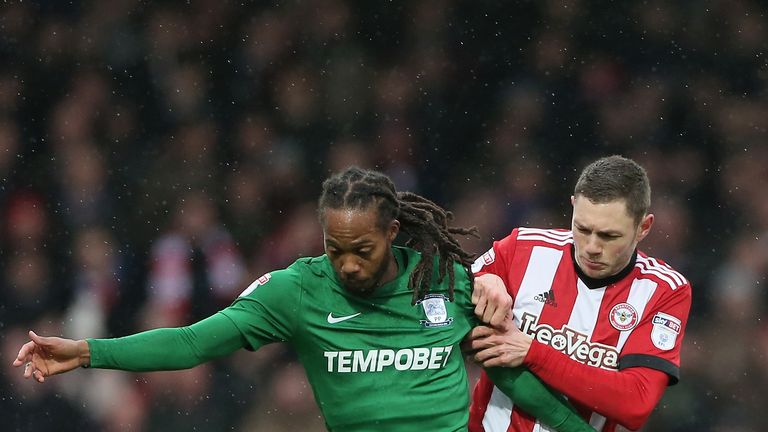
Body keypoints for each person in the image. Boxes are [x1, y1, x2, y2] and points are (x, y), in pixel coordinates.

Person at [14, 167, 593, 432]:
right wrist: (88, 352)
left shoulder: (441, 280)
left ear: (392, 233)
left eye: (361, 249)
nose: (346, 263)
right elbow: (192, 343)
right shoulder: (296, 290)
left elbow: (509, 371)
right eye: (333, 247)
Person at [466, 155, 692, 432]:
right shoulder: (520, 249)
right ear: (573, 206)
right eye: (582, 229)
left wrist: (534, 353)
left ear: (643, 227)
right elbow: (443, 302)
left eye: (609, 236)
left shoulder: (664, 290)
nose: (591, 247)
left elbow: (635, 404)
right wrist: (483, 278)